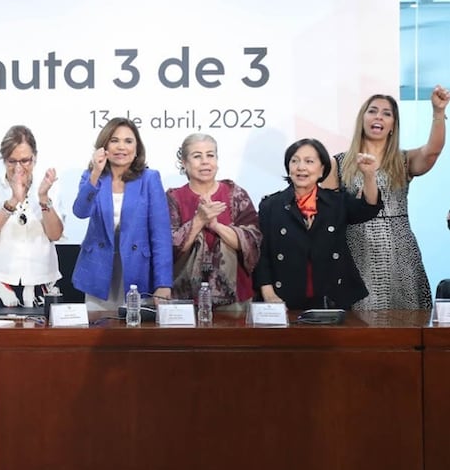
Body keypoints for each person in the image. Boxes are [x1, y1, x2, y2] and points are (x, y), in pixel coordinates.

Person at [325, 87, 449, 310]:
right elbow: (328, 214)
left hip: (400, 251)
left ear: (393, 126)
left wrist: (438, 112)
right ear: (362, 119)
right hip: (356, 251)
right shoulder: (338, 163)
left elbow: (432, 151)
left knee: (408, 321)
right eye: (372, 111)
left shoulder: (403, 160)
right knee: (360, 324)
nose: (379, 116)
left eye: (386, 113)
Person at [255, 138, 381, 310]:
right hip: (284, 299)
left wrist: (369, 175)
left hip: (331, 300)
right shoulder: (271, 206)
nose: (301, 167)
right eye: (295, 161)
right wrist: (269, 294)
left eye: (309, 161)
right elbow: (262, 255)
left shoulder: (336, 202)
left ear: (322, 169)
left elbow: (368, 209)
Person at [72, 117, 172, 310]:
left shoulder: (150, 179)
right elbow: (81, 212)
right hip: (98, 270)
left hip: (137, 270)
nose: (121, 147)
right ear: (104, 146)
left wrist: (163, 283)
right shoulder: (91, 176)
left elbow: (161, 235)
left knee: (135, 336)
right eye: (115, 140)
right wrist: (95, 174)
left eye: (128, 141)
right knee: (97, 331)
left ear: (137, 149)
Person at [166, 133, 261, 310]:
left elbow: (252, 241)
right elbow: (168, 247)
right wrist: (199, 220)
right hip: (185, 300)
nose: (205, 161)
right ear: (185, 163)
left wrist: (216, 226)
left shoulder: (235, 194)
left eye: (210, 155)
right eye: (197, 156)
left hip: (234, 298)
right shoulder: (173, 198)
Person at [0, 125, 63, 307]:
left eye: (25, 161)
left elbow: (55, 234)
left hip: (40, 278)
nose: (18, 168)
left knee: (43, 336)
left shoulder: (47, 186)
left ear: (35, 158)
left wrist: (44, 199)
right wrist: (12, 201)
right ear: (3, 160)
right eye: (12, 161)